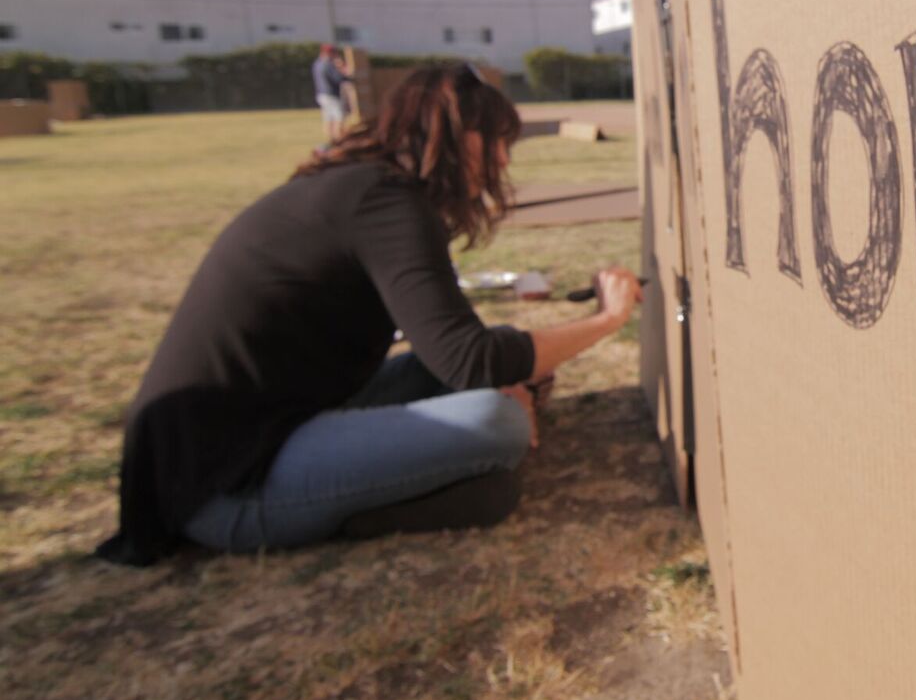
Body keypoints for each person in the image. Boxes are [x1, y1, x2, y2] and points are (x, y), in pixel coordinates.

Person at [96, 63, 642, 566]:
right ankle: (382, 502)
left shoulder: (365, 190)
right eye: (496, 142)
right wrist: (607, 319)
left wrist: (505, 373)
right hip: (228, 483)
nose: (503, 160)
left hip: (281, 418)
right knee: (496, 421)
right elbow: (471, 360)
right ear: (456, 137)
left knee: (490, 371)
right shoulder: (388, 205)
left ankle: (438, 486)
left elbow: (453, 349)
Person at [312, 43, 351, 146]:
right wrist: (346, 73)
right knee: (339, 118)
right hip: (332, 94)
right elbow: (339, 78)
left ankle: (330, 140)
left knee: (328, 118)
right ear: (329, 53)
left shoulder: (317, 63)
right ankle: (338, 140)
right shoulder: (328, 64)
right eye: (334, 53)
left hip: (321, 94)